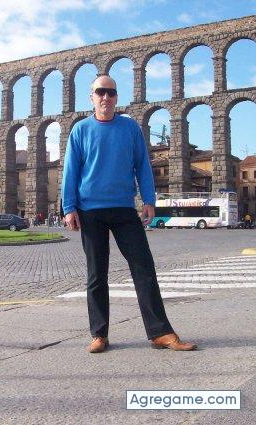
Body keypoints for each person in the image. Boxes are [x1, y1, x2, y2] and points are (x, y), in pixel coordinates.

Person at [62, 75, 197, 354]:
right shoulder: (80, 130)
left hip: (123, 208)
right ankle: (99, 334)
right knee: (96, 274)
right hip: (90, 210)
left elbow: (142, 165)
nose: (106, 97)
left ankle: (161, 333)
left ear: (116, 98)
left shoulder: (130, 127)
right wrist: (69, 207)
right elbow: (70, 170)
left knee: (144, 267)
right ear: (91, 97)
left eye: (111, 93)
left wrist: (149, 199)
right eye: (100, 92)